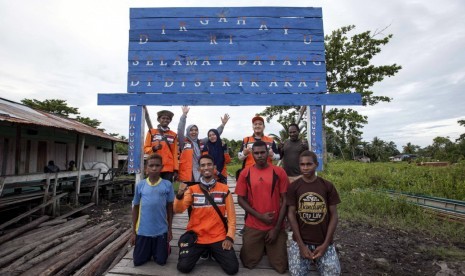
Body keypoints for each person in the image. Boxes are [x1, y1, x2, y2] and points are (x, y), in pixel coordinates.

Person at [174, 155, 238, 275]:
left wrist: (229, 237)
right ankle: (205, 251)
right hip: (197, 237)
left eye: (209, 164)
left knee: (232, 268)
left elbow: (231, 217)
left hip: (218, 236)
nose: (206, 167)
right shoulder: (192, 190)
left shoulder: (224, 189)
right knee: (183, 267)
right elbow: (178, 210)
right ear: (199, 169)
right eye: (203, 165)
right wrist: (179, 195)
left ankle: (212, 252)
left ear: (214, 168)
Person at [235, 140, 289, 274]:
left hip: (275, 225)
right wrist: (259, 216)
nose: (260, 156)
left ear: (268, 153)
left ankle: (268, 246)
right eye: (256, 153)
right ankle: (261, 246)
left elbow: (286, 200)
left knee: (281, 267)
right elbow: (240, 199)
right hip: (254, 224)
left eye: (262, 152)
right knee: (248, 263)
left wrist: (277, 228)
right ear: (252, 154)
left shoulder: (279, 172)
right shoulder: (245, 173)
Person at [286, 150, 341, 275]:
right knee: (296, 273)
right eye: (302, 164)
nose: (305, 167)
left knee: (333, 273)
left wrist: (326, 244)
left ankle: (321, 258)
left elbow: (334, 215)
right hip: (300, 241)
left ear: (316, 164)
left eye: (309, 164)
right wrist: (301, 245)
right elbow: (291, 214)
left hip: (323, 241)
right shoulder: (294, 187)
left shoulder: (327, 186)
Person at [131, 154, 175, 266]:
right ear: (146, 168)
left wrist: (169, 229)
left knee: (161, 261)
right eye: (151, 165)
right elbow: (135, 208)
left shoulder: (167, 185)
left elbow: (170, 208)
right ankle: (148, 249)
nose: (154, 168)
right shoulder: (140, 185)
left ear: (162, 167)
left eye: (157, 165)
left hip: (161, 231)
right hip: (143, 231)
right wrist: (133, 233)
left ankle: (164, 247)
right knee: (138, 261)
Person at [177, 106, 230, 182]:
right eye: (191, 130)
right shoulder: (183, 142)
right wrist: (184, 115)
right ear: (188, 132)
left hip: (201, 171)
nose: (194, 132)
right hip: (187, 172)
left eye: (196, 130)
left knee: (200, 191)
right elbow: (180, 130)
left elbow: (214, 135)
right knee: (188, 192)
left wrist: (222, 125)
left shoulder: (201, 142)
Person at [143, 110, 179, 182]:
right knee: (153, 188)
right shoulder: (151, 132)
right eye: (163, 118)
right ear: (159, 119)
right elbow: (145, 148)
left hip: (168, 168)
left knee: (166, 189)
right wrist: (154, 148)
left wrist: (176, 169)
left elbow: (175, 153)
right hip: (154, 166)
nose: (165, 120)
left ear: (170, 120)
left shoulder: (174, 135)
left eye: (167, 118)